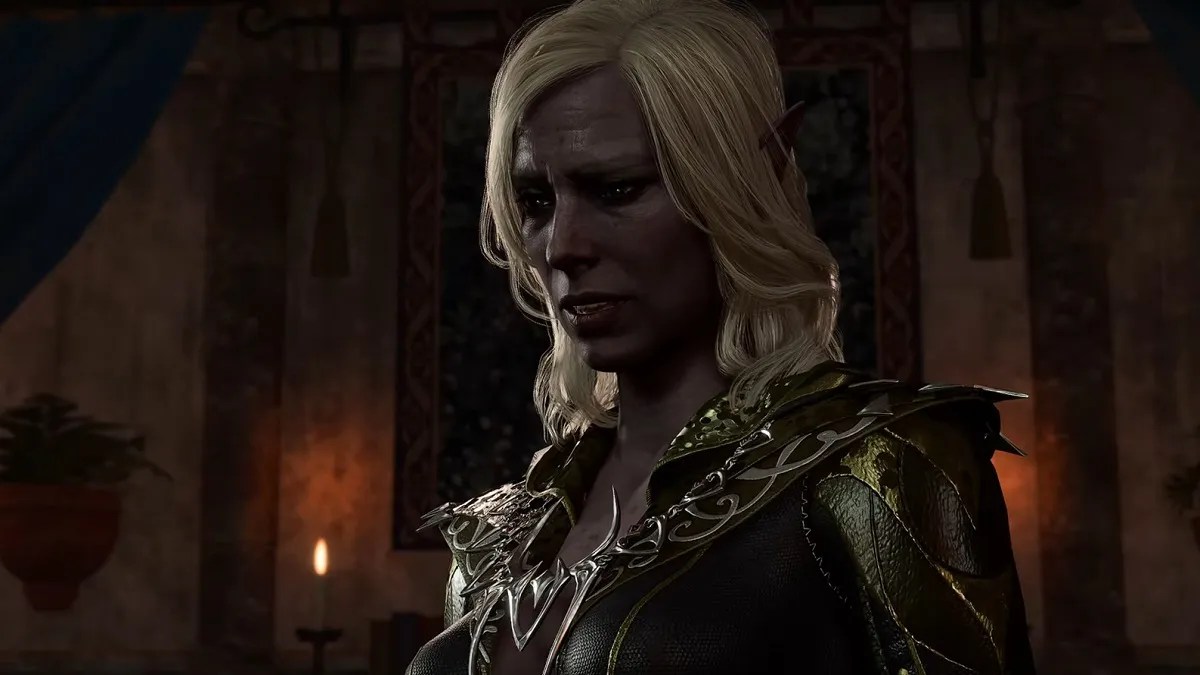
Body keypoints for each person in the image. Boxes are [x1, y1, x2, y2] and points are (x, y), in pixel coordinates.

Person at [407, 0, 1036, 673]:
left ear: (742, 182)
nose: (563, 246)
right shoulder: (500, 538)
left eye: (617, 190)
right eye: (536, 202)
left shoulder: (876, 467)